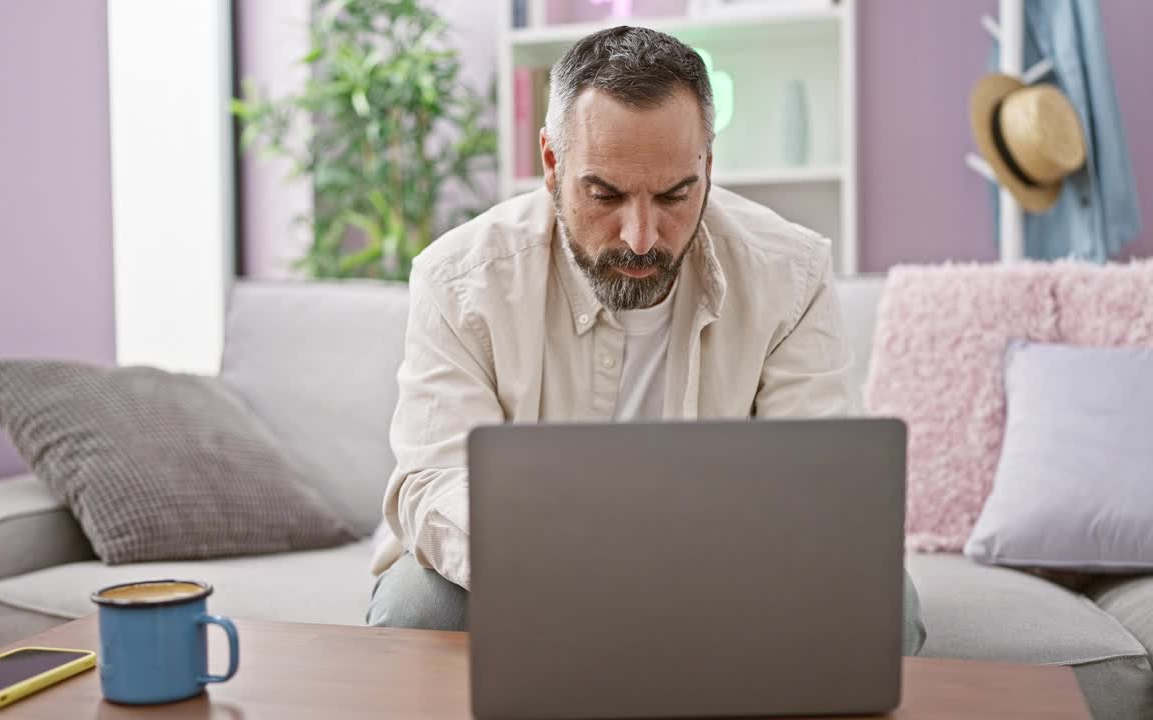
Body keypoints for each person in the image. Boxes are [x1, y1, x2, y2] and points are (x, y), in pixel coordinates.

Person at [365, 25, 925, 655]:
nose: (640, 236)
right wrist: (563, 561)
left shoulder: (789, 272)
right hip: (526, 562)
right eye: (603, 194)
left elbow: (822, 486)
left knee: (884, 605)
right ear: (552, 164)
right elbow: (434, 481)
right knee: (418, 608)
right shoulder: (459, 279)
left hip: (732, 565)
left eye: (674, 195)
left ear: (707, 170)